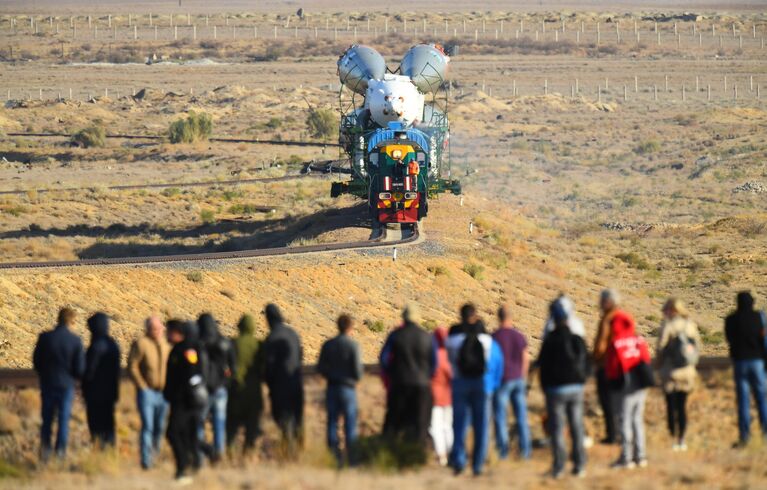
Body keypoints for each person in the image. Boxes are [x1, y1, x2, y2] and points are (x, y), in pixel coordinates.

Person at [446, 303, 504, 476]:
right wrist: (493, 386)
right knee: (482, 425)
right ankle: (478, 465)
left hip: (460, 382)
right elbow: (496, 363)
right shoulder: (487, 340)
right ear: (475, 315)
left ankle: (459, 461)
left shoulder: (453, 338)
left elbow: (450, 361)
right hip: (482, 384)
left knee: (459, 424)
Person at [538, 298, 589, 479]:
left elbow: (542, 366)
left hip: (555, 390)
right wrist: (582, 381)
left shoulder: (549, 341)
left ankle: (559, 467)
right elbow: (586, 361)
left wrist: (545, 387)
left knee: (558, 428)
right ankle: (580, 464)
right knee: (576, 426)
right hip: (576, 387)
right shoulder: (576, 339)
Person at [32, 307, 85, 462]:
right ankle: (60, 454)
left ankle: (45, 452)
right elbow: (80, 368)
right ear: (72, 321)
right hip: (66, 385)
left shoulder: (45, 337)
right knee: (63, 420)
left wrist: (44, 374)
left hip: (48, 383)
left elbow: (37, 362)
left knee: (47, 420)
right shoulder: (75, 341)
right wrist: (73, 377)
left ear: (58, 319)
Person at [379, 304, 436, 449]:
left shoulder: (395, 335)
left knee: (394, 421)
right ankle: (418, 454)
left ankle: (390, 452)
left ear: (403, 317)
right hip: (422, 386)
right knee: (421, 423)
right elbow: (434, 363)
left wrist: (393, 373)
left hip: (400, 383)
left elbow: (384, 359)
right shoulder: (427, 337)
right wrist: (426, 375)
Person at [603, 306, 651, 469]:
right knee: (637, 420)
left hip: (624, 386)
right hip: (641, 384)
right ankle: (641, 456)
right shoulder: (639, 339)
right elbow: (646, 359)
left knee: (624, 421)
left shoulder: (615, 343)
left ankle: (626, 458)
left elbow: (611, 368)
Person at [164, 319, 207, 483]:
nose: (167, 334)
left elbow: (192, 373)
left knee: (174, 432)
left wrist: (185, 393)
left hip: (185, 401)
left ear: (177, 333)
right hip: (179, 400)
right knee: (184, 434)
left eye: (169, 331)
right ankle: (188, 464)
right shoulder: (178, 349)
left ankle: (184, 467)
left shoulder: (187, 349)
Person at [656, 299, 701, 451]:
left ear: (672, 310)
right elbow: (697, 348)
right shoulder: (690, 325)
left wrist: (659, 365)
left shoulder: (668, 326)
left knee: (670, 405)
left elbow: (660, 349)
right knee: (682, 406)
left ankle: (672, 436)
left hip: (671, 372)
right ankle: (681, 439)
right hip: (687, 372)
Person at [318, 314, 363, 465]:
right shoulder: (353, 346)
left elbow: (320, 368)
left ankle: (334, 457)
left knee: (332, 422)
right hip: (348, 389)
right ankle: (352, 459)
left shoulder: (328, 345)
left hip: (332, 387)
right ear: (350, 327)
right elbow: (358, 371)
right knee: (350, 423)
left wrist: (330, 376)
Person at [128, 316, 171, 469]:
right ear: (147, 329)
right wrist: (142, 386)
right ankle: (146, 461)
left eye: (159, 328)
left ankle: (155, 456)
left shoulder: (167, 345)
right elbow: (132, 366)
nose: (157, 331)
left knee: (160, 427)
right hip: (147, 393)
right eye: (153, 328)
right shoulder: (141, 344)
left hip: (164, 394)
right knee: (148, 426)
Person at [725, 291, 767, 447]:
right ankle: (765, 433)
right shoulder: (759, 317)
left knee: (743, 400)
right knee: (761, 398)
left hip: (740, 362)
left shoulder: (731, 319)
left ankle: (745, 437)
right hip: (757, 362)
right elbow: (764, 339)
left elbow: (729, 338)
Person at [262, 304, 304, 456]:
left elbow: (268, 366)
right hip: (296, 383)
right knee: (297, 419)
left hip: (280, 387)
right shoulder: (293, 333)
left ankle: (289, 450)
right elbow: (300, 356)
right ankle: (298, 451)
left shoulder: (271, 338)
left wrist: (269, 383)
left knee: (283, 419)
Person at [492, 305, 531, 460]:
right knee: (521, 417)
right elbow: (526, 358)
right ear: (511, 317)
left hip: (502, 380)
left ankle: (503, 452)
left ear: (498, 317)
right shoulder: (519, 336)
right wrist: (523, 376)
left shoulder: (494, 336)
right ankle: (525, 451)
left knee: (501, 418)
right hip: (518, 379)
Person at [198, 313, 237, 462]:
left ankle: (201, 455)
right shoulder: (225, 342)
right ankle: (219, 454)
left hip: (203, 389)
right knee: (219, 424)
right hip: (221, 389)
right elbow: (233, 367)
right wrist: (226, 383)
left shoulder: (200, 343)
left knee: (199, 422)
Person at [226, 314, 264, 454]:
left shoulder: (233, 343)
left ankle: (229, 451)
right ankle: (248, 453)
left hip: (235, 389)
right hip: (253, 391)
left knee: (231, 426)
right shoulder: (258, 345)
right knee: (252, 426)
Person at [82, 312, 121, 448]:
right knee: (108, 424)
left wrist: (85, 384)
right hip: (110, 391)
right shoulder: (113, 345)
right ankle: (109, 452)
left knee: (96, 425)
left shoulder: (96, 346)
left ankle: (100, 450)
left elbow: (89, 371)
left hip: (95, 392)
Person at [592, 289, 622, 444]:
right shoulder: (624, 317)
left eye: (602, 300)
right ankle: (621, 433)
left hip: (606, 366)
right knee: (619, 402)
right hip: (621, 365)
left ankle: (612, 435)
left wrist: (593, 358)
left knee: (607, 402)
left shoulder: (607, 320)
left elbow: (601, 346)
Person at [430, 327, 453, 466]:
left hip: (435, 396)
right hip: (449, 396)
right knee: (448, 426)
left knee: (435, 427)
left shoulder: (433, 355)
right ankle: (450, 451)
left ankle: (441, 454)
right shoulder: (451, 355)